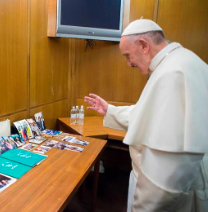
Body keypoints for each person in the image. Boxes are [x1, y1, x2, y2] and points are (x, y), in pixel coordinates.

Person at [84, 19, 208, 212]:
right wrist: (111, 110)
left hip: (165, 199)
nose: (129, 63)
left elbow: (167, 170)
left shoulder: (173, 73)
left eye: (127, 56)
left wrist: (143, 207)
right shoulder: (183, 61)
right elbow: (150, 115)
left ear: (143, 45)